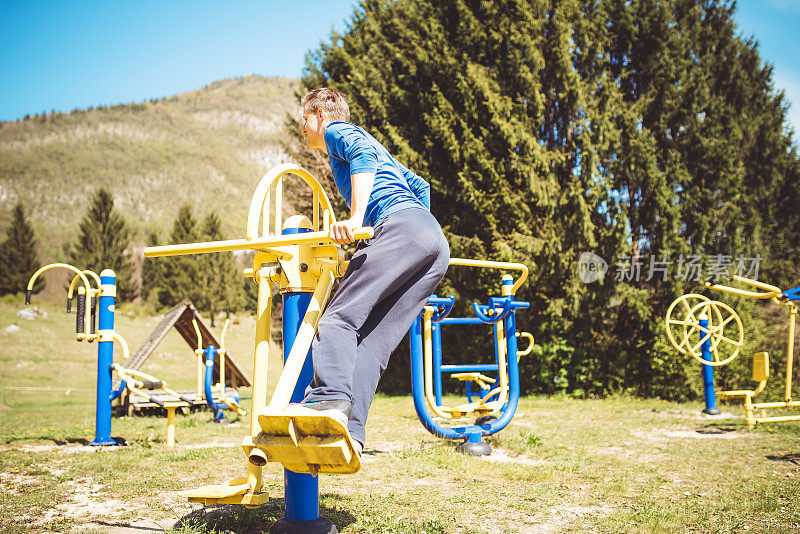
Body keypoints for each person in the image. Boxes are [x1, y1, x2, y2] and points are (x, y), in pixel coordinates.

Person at [291, 87, 450, 456]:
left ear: (318, 113)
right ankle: (351, 433)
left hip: (399, 228)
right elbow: (420, 186)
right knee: (373, 343)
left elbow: (360, 155)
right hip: (432, 241)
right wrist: (420, 229)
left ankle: (327, 401)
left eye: (304, 121)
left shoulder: (337, 133)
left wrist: (358, 218)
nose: (304, 130)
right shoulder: (386, 155)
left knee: (337, 320)